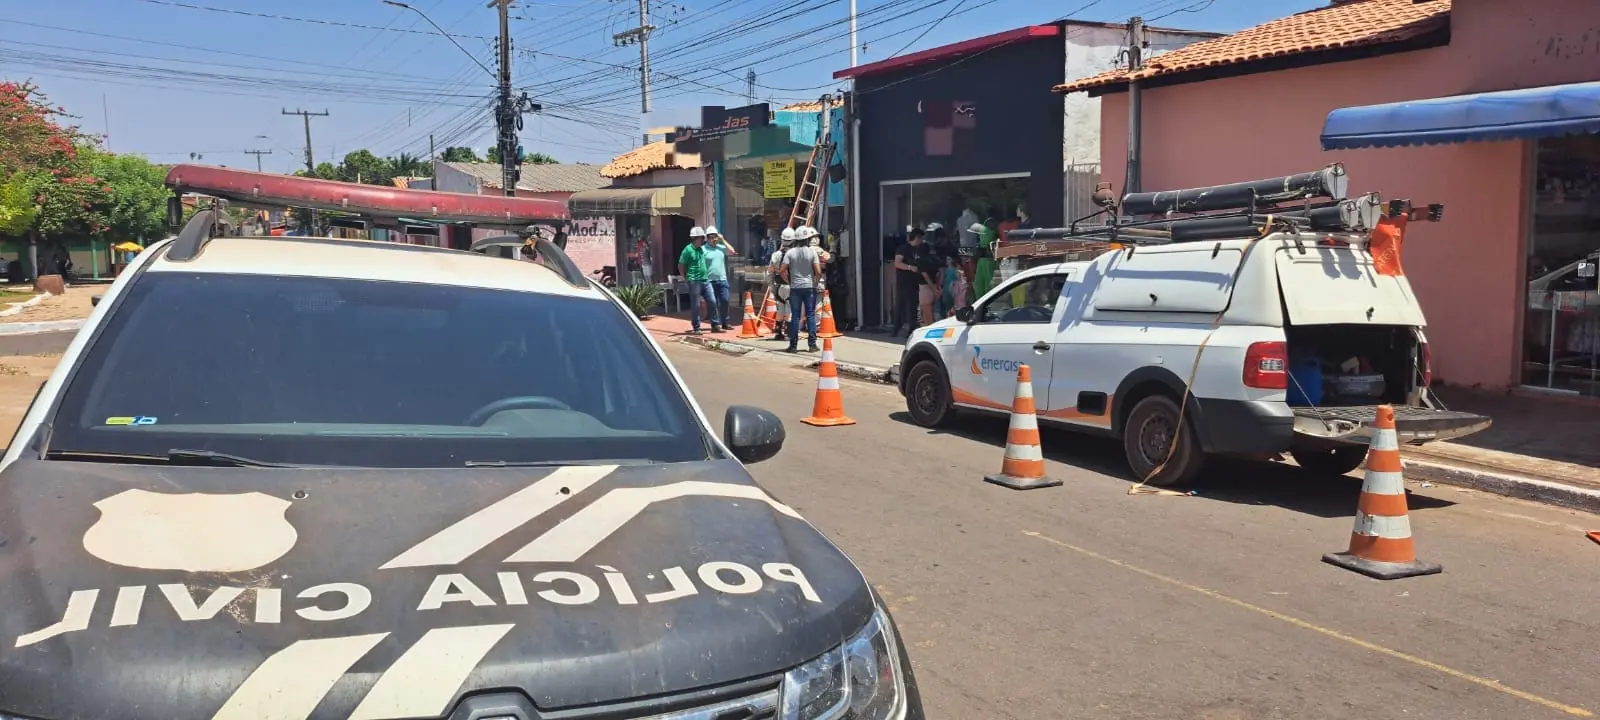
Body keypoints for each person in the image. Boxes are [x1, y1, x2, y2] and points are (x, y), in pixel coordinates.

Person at [780, 228, 822, 353]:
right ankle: (812, 345)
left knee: (796, 317)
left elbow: (782, 270)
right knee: (810, 315)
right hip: (809, 287)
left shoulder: (790, 253)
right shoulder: (812, 252)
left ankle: (793, 346)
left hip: (795, 288)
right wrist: (815, 282)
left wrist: (789, 281)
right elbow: (818, 272)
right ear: (808, 239)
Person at [890, 228, 931, 337]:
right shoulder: (903, 249)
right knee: (900, 306)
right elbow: (897, 263)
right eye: (920, 238)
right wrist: (909, 267)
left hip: (914, 283)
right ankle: (896, 328)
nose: (921, 241)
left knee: (912, 307)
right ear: (916, 238)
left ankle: (911, 330)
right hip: (903, 283)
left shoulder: (918, 250)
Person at [678, 226, 717, 333]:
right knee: (696, 305)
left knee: (712, 301)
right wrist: (685, 277)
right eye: (702, 238)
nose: (703, 240)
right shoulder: (687, 250)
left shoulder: (700, 249)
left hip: (705, 280)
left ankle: (715, 324)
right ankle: (696, 326)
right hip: (694, 281)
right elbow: (681, 265)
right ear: (696, 238)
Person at [702, 225, 738, 331]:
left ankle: (725, 322)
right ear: (707, 238)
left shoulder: (721, 248)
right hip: (709, 281)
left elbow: (732, 252)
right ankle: (715, 324)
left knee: (725, 301)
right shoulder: (703, 250)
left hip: (722, 280)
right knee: (712, 303)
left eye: (716, 237)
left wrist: (723, 240)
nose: (714, 240)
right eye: (712, 237)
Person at [768, 227, 796, 341]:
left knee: (780, 309)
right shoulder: (795, 255)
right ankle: (789, 333)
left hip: (779, 286)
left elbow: (770, 273)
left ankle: (778, 332)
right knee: (789, 309)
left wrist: (772, 287)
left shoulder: (775, 255)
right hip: (791, 286)